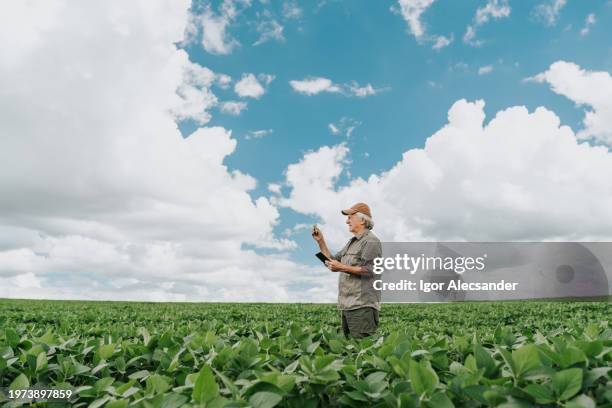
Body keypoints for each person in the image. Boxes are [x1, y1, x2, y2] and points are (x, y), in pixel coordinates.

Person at [311, 202, 382, 338]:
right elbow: (332, 260)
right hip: (347, 306)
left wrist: (342, 267)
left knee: (362, 352)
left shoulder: (371, 241)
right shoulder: (351, 242)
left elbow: (371, 270)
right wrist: (320, 241)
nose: (347, 221)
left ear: (362, 220)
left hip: (362, 307)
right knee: (351, 352)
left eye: (350, 217)